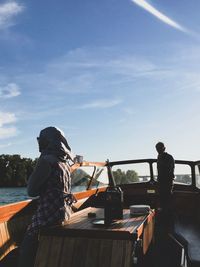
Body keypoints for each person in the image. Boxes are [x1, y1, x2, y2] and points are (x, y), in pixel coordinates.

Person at [18, 126, 75, 267]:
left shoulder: (46, 161)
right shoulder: (65, 163)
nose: (39, 144)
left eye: (41, 140)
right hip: (63, 214)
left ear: (48, 141)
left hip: (48, 215)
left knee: (26, 247)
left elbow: (31, 191)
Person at [155, 142, 175, 218]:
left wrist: (161, 181)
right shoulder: (160, 157)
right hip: (162, 183)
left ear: (164, 148)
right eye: (157, 149)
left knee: (167, 201)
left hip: (167, 183)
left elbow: (168, 170)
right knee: (163, 201)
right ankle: (164, 216)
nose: (158, 150)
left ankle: (168, 218)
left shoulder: (169, 157)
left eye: (159, 148)